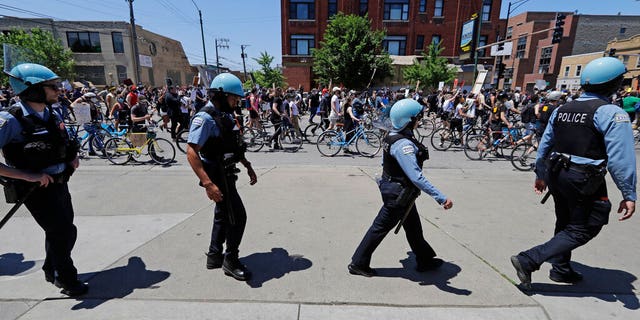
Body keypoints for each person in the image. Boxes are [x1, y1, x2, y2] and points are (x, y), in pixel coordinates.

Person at [510, 57, 636, 289]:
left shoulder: (563, 109)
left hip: (558, 173)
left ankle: (560, 269)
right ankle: (529, 259)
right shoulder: (611, 113)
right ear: (615, 84)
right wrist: (628, 194)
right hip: (584, 178)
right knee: (585, 227)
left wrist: (541, 174)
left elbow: (544, 145)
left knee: (565, 222)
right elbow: (621, 159)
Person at [0, 63, 87, 296]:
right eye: (53, 87)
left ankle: (52, 268)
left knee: (65, 230)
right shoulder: (11, 120)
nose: (59, 90)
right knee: (61, 231)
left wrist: (72, 157)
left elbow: (63, 141)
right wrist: (26, 175)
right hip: (35, 188)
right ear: (33, 89)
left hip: (60, 182)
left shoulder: (52, 113)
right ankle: (67, 279)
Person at [349, 98, 453, 277]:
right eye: (417, 118)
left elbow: (385, 163)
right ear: (409, 120)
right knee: (379, 228)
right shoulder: (403, 144)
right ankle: (358, 263)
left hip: (399, 192)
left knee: (413, 227)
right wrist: (441, 197)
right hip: (398, 195)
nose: (419, 121)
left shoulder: (392, 135)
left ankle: (424, 260)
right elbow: (416, 177)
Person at [186, 73, 257, 282]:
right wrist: (208, 184)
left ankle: (215, 255)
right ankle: (231, 260)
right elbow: (191, 151)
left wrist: (247, 165)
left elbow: (232, 146)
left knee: (222, 214)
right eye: (234, 98)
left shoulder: (223, 114)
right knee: (237, 217)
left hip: (227, 171)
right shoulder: (205, 117)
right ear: (221, 95)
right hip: (217, 175)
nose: (236, 102)